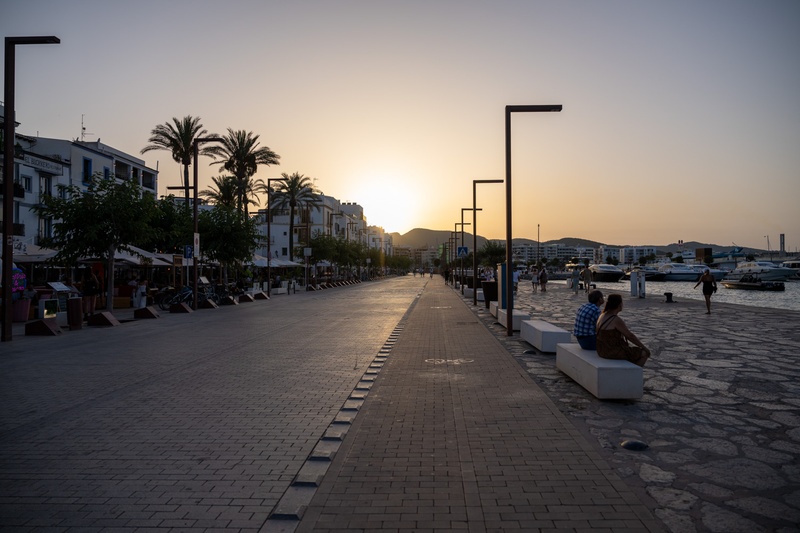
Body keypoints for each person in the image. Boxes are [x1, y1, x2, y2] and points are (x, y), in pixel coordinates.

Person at [596, 293, 651, 367]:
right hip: (611, 351)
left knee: (630, 351)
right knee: (644, 353)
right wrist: (644, 347)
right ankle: (633, 373)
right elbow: (630, 336)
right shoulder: (615, 319)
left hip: (601, 350)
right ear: (619, 305)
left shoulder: (602, 315)